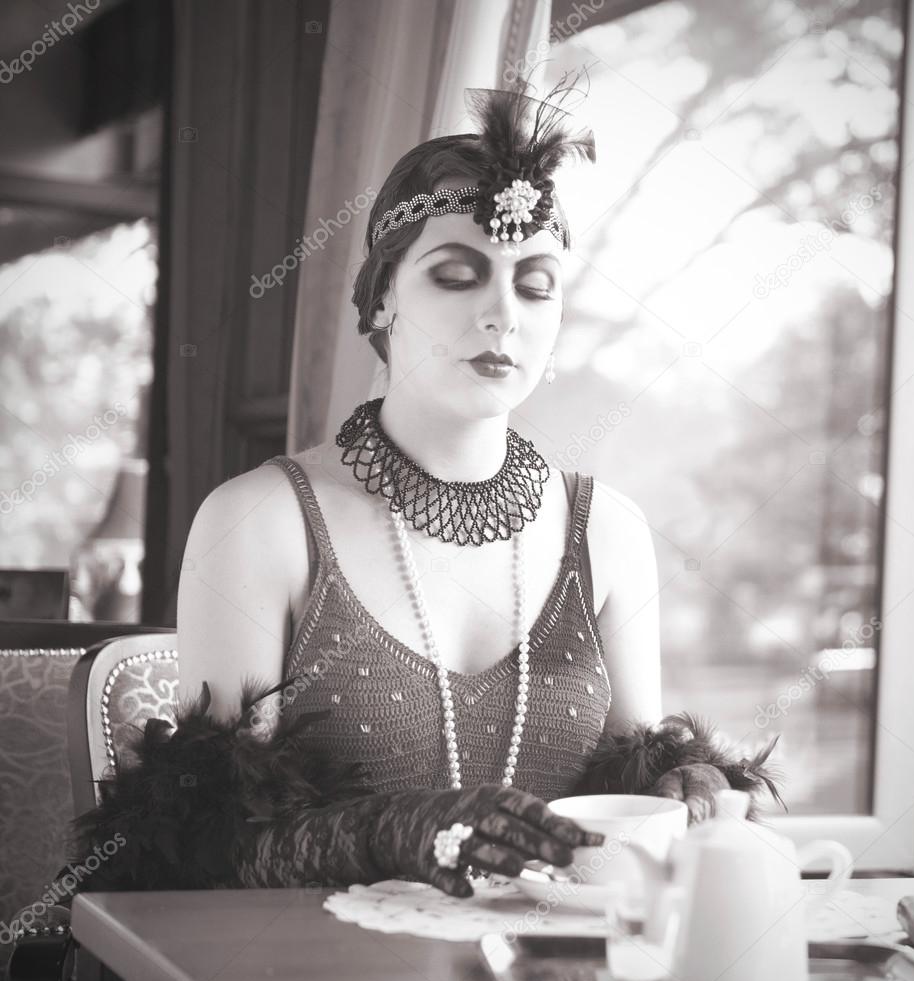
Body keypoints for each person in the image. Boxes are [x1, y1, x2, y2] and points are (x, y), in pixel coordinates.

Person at [66, 70, 784, 906]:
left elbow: (631, 792)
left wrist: (684, 787)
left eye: (535, 283)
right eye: (456, 275)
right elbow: (203, 841)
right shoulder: (257, 522)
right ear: (379, 304)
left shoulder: (611, 532)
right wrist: (400, 831)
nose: (503, 314)